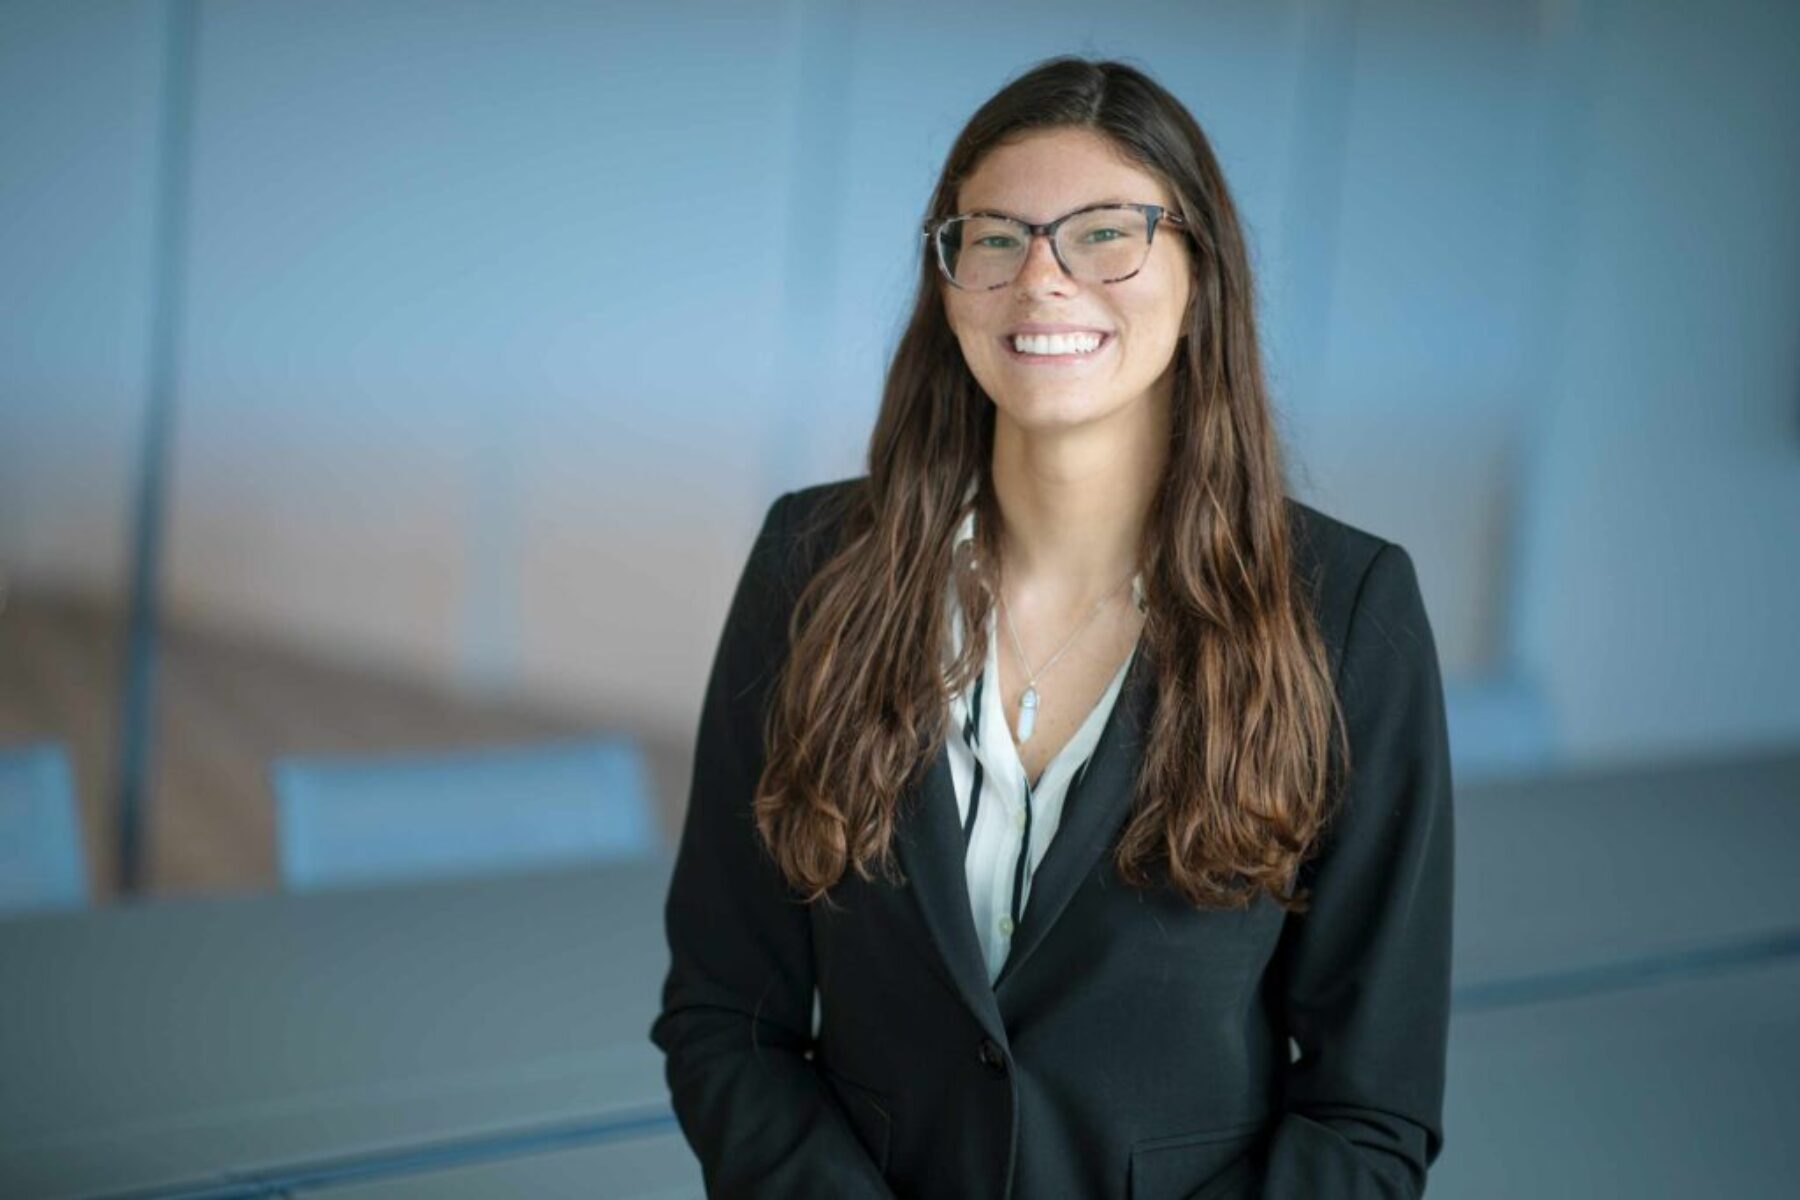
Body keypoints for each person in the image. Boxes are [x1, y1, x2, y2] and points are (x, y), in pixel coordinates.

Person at [649, 55, 1453, 1200]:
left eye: (1105, 233)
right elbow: (727, 1017)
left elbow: (1366, 1114)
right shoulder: (811, 564)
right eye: (995, 237)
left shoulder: (1348, 608)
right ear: (949, 279)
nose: (1042, 278)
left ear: (1201, 272)